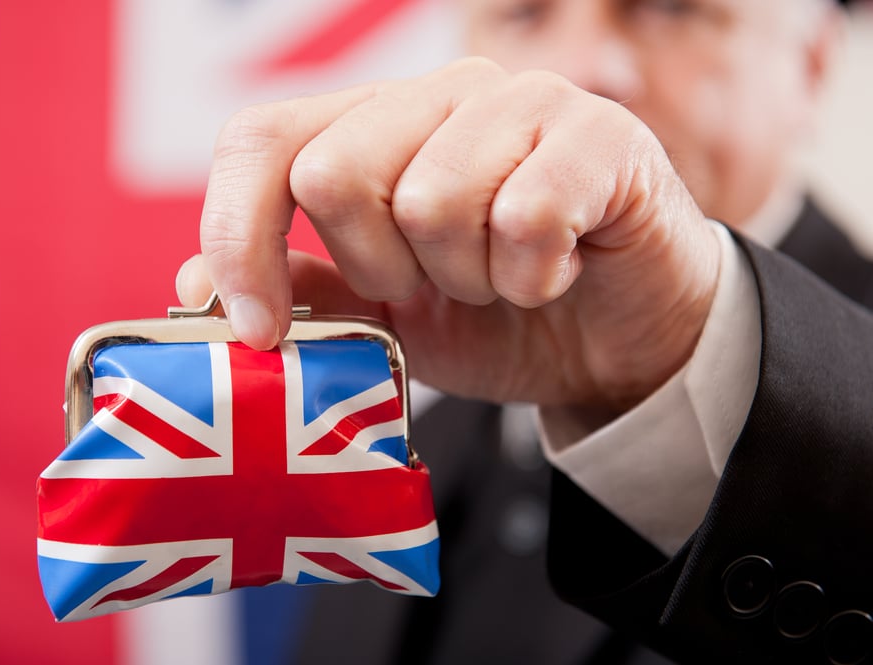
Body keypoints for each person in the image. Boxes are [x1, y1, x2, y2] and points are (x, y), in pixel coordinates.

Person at [175, 1, 873, 663]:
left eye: (672, 8)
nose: (587, 70)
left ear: (811, 65)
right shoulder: (385, 433)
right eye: (524, 13)